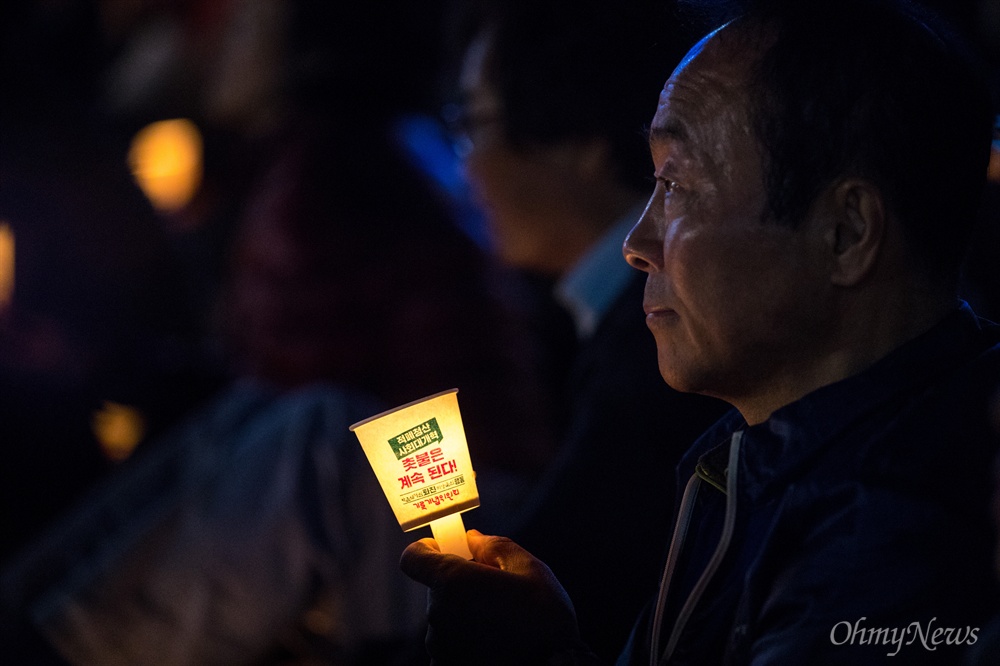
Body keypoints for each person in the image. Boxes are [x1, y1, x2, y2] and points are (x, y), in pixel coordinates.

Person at [399, 0, 1000, 663]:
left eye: (680, 185)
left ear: (847, 233)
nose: (636, 243)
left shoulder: (893, 536)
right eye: (655, 183)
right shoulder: (749, 458)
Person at [441, 0, 729, 658]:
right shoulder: (597, 319)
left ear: (583, 143)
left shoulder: (664, 340)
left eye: (474, 124)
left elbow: (574, 557)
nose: (466, 168)